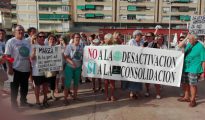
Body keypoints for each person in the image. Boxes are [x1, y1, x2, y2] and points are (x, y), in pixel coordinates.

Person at [5, 25, 32, 108]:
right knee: (14, 89)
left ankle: (23, 101)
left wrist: (30, 68)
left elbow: (30, 55)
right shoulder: (10, 41)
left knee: (24, 88)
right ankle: (14, 104)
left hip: (26, 69)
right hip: (14, 69)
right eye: (19, 30)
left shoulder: (27, 41)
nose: (21, 32)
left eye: (22, 30)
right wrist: (10, 68)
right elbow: (8, 55)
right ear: (14, 32)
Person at [177, 33, 205, 107]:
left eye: (190, 39)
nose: (189, 40)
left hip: (194, 68)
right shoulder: (189, 44)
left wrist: (203, 72)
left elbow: (203, 60)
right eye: (189, 39)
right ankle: (186, 97)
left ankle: (193, 100)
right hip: (186, 67)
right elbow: (179, 46)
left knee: (192, 84)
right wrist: (186, 37)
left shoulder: (201, 47)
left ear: (195, 39)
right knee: (185, 83)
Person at [63, 33, 83, 105]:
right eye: (76, 37)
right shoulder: (69, 46)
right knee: (67, 84)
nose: (77, 38)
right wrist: (72, 63)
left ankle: (75, 96)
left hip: (78, 67)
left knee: (76, 83)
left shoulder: (81, 47)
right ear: (73, 38)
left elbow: (83, 56)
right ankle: (65, 98)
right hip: (70, 67)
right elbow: (65, 56)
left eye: (78, 37)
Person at [30, 32, 49, 109]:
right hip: (37, 71)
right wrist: (34, 51)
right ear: (37, 38)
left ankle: (45, 99)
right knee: (37, 86)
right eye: (40, 36)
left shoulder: (47, 47)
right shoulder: (33, 46)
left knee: (45, 85)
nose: (42, 38)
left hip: (46, 70)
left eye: (43, 37)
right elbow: (31, 58)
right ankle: (37, 101)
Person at [123, 30, 144, 99]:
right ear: (136, 36)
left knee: (138, 78)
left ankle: (137, 92)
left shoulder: (142, 42)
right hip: (132, 63)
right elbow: (130, 50)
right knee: (132, 78)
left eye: (141, 35)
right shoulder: (131, 41)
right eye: (139, 35)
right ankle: (132, 92)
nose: (140, 36)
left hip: (139, 63)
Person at [103, 33, 117, 101]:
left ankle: (112, 95)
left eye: (105, 39)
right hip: (105, 66)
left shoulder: (116, 46)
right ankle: (106, 96)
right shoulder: (102, 46)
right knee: (106, 82)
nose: (104, 40)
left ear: (109, 39)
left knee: (112, 82)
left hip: (114, 66)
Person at [45, 35, 58, 101]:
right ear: (48, 40)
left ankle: (52, 94)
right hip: (47, 69)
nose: (52, 41)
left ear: (55, 41)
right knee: (46, 82)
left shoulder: (57, 48)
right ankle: (46, 95)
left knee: (53, 81)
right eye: (50, 39)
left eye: (53, 39)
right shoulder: (45, 48)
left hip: (54, 68)